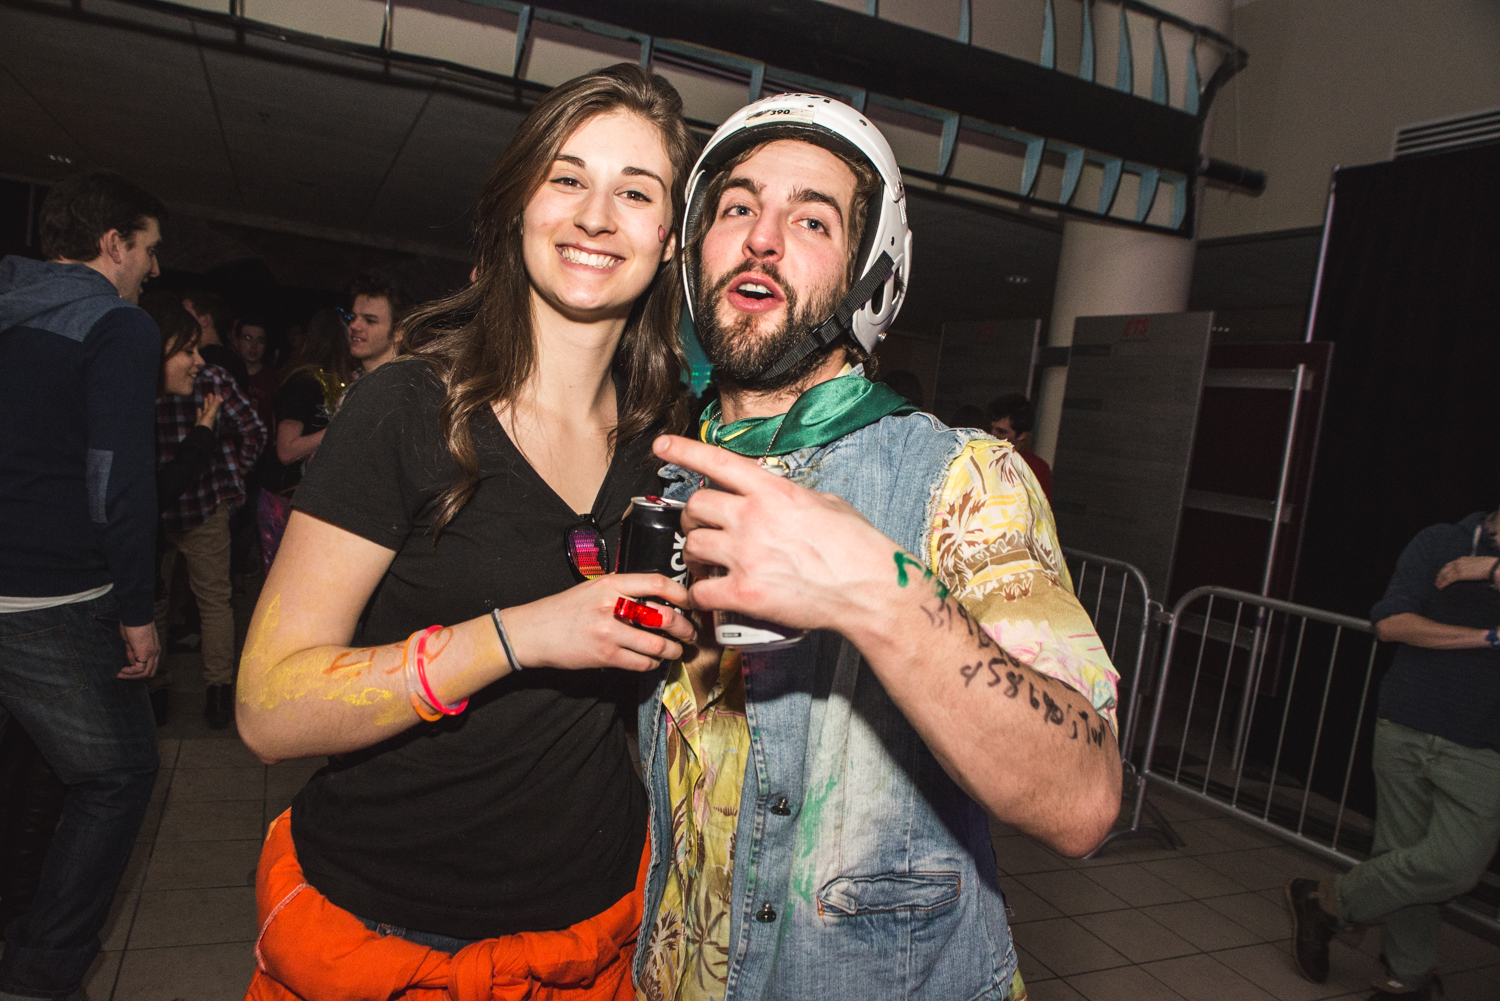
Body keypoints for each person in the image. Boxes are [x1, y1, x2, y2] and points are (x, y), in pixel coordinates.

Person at [631, 94, 1123, 1001]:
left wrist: (875, 589)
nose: (762, 237)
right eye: (737, 207)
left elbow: (1085, 794)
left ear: (871, 278)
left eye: (810, 218)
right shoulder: (672, 476)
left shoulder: (962, 478)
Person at [237, 64, 697, 999]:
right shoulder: (406, 408)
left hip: (596, 925)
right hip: (388, 929)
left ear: (669, 238)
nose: (597, 216)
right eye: (567, 178)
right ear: (519, 202)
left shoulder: (673, 442)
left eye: (635, 192)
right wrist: (518, 635)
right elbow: (269, 708)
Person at [0, 169, 165, 1001]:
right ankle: (41, 973)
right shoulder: (119, 326)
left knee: (27, 764)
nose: (153, 269)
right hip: (50, 595)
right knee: (120, 772)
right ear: (113, 245)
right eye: (148, 249)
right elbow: (116, 481)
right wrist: (137, 609)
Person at [1287, 508, 1500, 1001]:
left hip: (1485, 745)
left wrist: (1487, 571)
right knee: (1402, 858)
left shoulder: (1476, 561)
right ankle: (1406, 977)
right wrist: (1488, 638)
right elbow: (1392, 624)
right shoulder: (1441, 541)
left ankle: (1325, 902)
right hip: (1406, 724)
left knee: (1453, 866)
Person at [154, 306, 267, 729]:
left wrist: (231, 476)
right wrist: (234, 475)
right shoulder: (209, 380)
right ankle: (217, 697)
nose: (198, 359)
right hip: (183, 509)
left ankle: (158, 695)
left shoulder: (203, 380)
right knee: (212, 602)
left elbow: (252, 429)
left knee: (167, 603)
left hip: (179, 509)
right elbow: (254, 430)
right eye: (189, 349)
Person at [272, 307, 355, 489]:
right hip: (286, 494)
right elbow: (286, 450)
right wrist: (339, 428)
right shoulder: (304, 382)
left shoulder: (342, 382)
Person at [988, 391, 1053, 502]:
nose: (992, 435)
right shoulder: (981, 454)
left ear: (1022, 435)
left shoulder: (1037, 469)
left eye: (1001, 431)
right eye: (992, 428)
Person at [182, 290, 249, 391]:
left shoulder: (208, 360)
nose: (179, 319)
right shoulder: (235, 362)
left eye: (185, 314)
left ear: (205, 320)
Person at [345, 272, 409, 375]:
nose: (354, 326)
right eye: (353, 318)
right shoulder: (356, 381)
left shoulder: (402, 385)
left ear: (398, 332)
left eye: (369, 320)